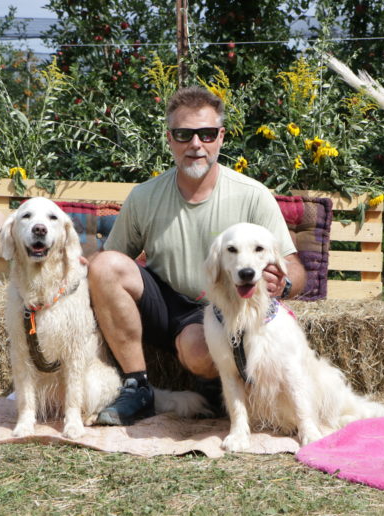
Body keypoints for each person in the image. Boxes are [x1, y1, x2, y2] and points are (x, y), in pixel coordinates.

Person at [88, 86, 306, 425]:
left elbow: (294, 268)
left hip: (222, 309)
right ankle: (137, 387)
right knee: (103, 266)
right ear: (169, 139)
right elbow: (111, 263)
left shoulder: (253, 195)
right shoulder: (144, 196)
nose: (195, 144)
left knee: (199, 351)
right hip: (164, 305)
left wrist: (284, 282)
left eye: (206, 134)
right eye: (183, 134)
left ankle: (217, 389)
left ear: (221, 137)